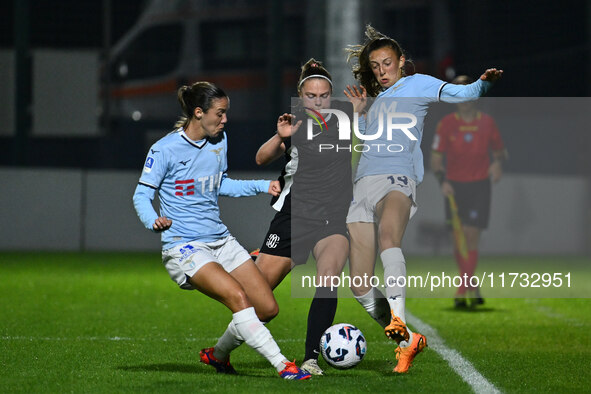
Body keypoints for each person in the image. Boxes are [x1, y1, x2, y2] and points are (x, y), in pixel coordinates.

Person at [343, 25, 503, 373]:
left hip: (398, 177)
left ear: (401, 61)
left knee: (389, 237)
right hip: (363, 184)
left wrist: (483, 84)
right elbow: (366, 138)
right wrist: (359, 110)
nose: (381, 71)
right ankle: (407, 341)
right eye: (375, 66)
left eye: (387, 63)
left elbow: (462, 95)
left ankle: (398, 318)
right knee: (358, 283)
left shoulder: (419, 85)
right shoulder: (379, 100)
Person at [132, 81, 311, 380]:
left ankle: (217, 356)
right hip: (185, 246)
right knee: (238, 298)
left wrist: (261, 185)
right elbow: (141, 194)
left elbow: (220, 184)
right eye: (220, 113)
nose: (225, 119)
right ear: (199, 113)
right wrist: (153, 220)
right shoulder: (164, 149)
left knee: (266, 308)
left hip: (221, 240)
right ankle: (283, 366)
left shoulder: (219, 141)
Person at [253, 59, 358, 375]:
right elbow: (261, 158)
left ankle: (311, 357)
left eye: (323, 95)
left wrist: (362, 111)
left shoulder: (345, 114)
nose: (318, 101)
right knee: (257, 300)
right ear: (301, 96)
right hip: (294, 216)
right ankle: (222, 350)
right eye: (311, 96)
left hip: (333, 217)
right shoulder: (294, 122)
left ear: (331, 95)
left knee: (328, 277)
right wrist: (279, 136)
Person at [431, 75, 507, 308]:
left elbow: (500, 152)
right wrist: (442, 180)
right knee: (458, 240)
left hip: (479, 186)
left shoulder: (487, 123)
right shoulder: (445, 125)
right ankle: (471, 286)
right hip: (455, 187)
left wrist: (497, 164)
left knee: (471, 238)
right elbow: (435, 158)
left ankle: (462, 290)